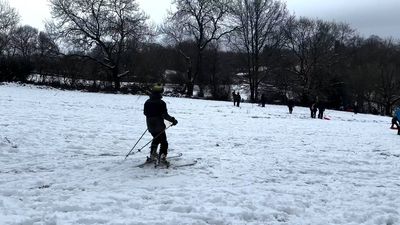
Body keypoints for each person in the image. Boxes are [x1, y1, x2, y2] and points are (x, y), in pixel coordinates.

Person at [144, 84, 178, 163]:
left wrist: (151, 118)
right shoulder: (161, 103)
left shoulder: (147, 102)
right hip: (159, 125)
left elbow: (145, 113)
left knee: (156, 138)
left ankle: (153, 154)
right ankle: (162, 156)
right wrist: (173, 120)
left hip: (150, 124)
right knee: (164, 141)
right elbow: (165, 115)